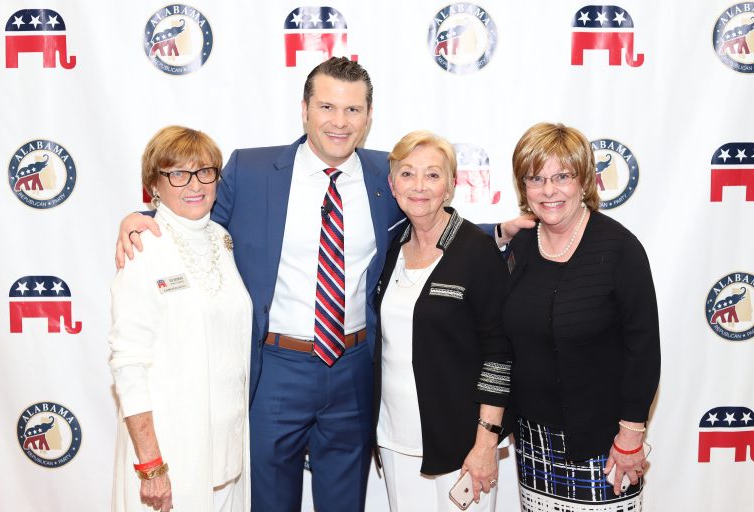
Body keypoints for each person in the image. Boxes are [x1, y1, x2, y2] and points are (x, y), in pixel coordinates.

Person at [115, 58, 406, 511]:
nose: (339, 121)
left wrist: (502, 232)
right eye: (327, 107)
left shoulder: (386, 174)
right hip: (274, 371)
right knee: (268, 503)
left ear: (369, 116)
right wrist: (142, 217)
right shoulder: (250, 171)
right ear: (304, 110)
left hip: (353, 369)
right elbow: (193, 215)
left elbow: (432, 221)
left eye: (352, 110)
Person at [497, 122, 660, 511]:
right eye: (536, 178)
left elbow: (643, 351)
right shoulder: (522, 244)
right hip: (533, 439)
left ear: (584, 180)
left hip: (604, 443)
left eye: (562, 177)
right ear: (523, 186)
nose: (548, 190)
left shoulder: (620, 249)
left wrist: (630, 436)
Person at [109, 126, 251, 511]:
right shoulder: (142, 248)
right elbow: (128, 364)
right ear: (154, 184)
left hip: (227, 453)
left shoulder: (222, 239)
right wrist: (151, 464)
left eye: (204, 171)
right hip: (171, 453)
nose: (194, 184)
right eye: (177, 174)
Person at [373, 131, 510, 511]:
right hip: (395, 437)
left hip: (463, 443)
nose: (419, 186)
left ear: (450, 186)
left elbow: (500, 356)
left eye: (432, 175)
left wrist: (486, 442)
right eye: (407, 174)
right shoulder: (391, 249)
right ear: (393, 185)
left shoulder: (477, 252)